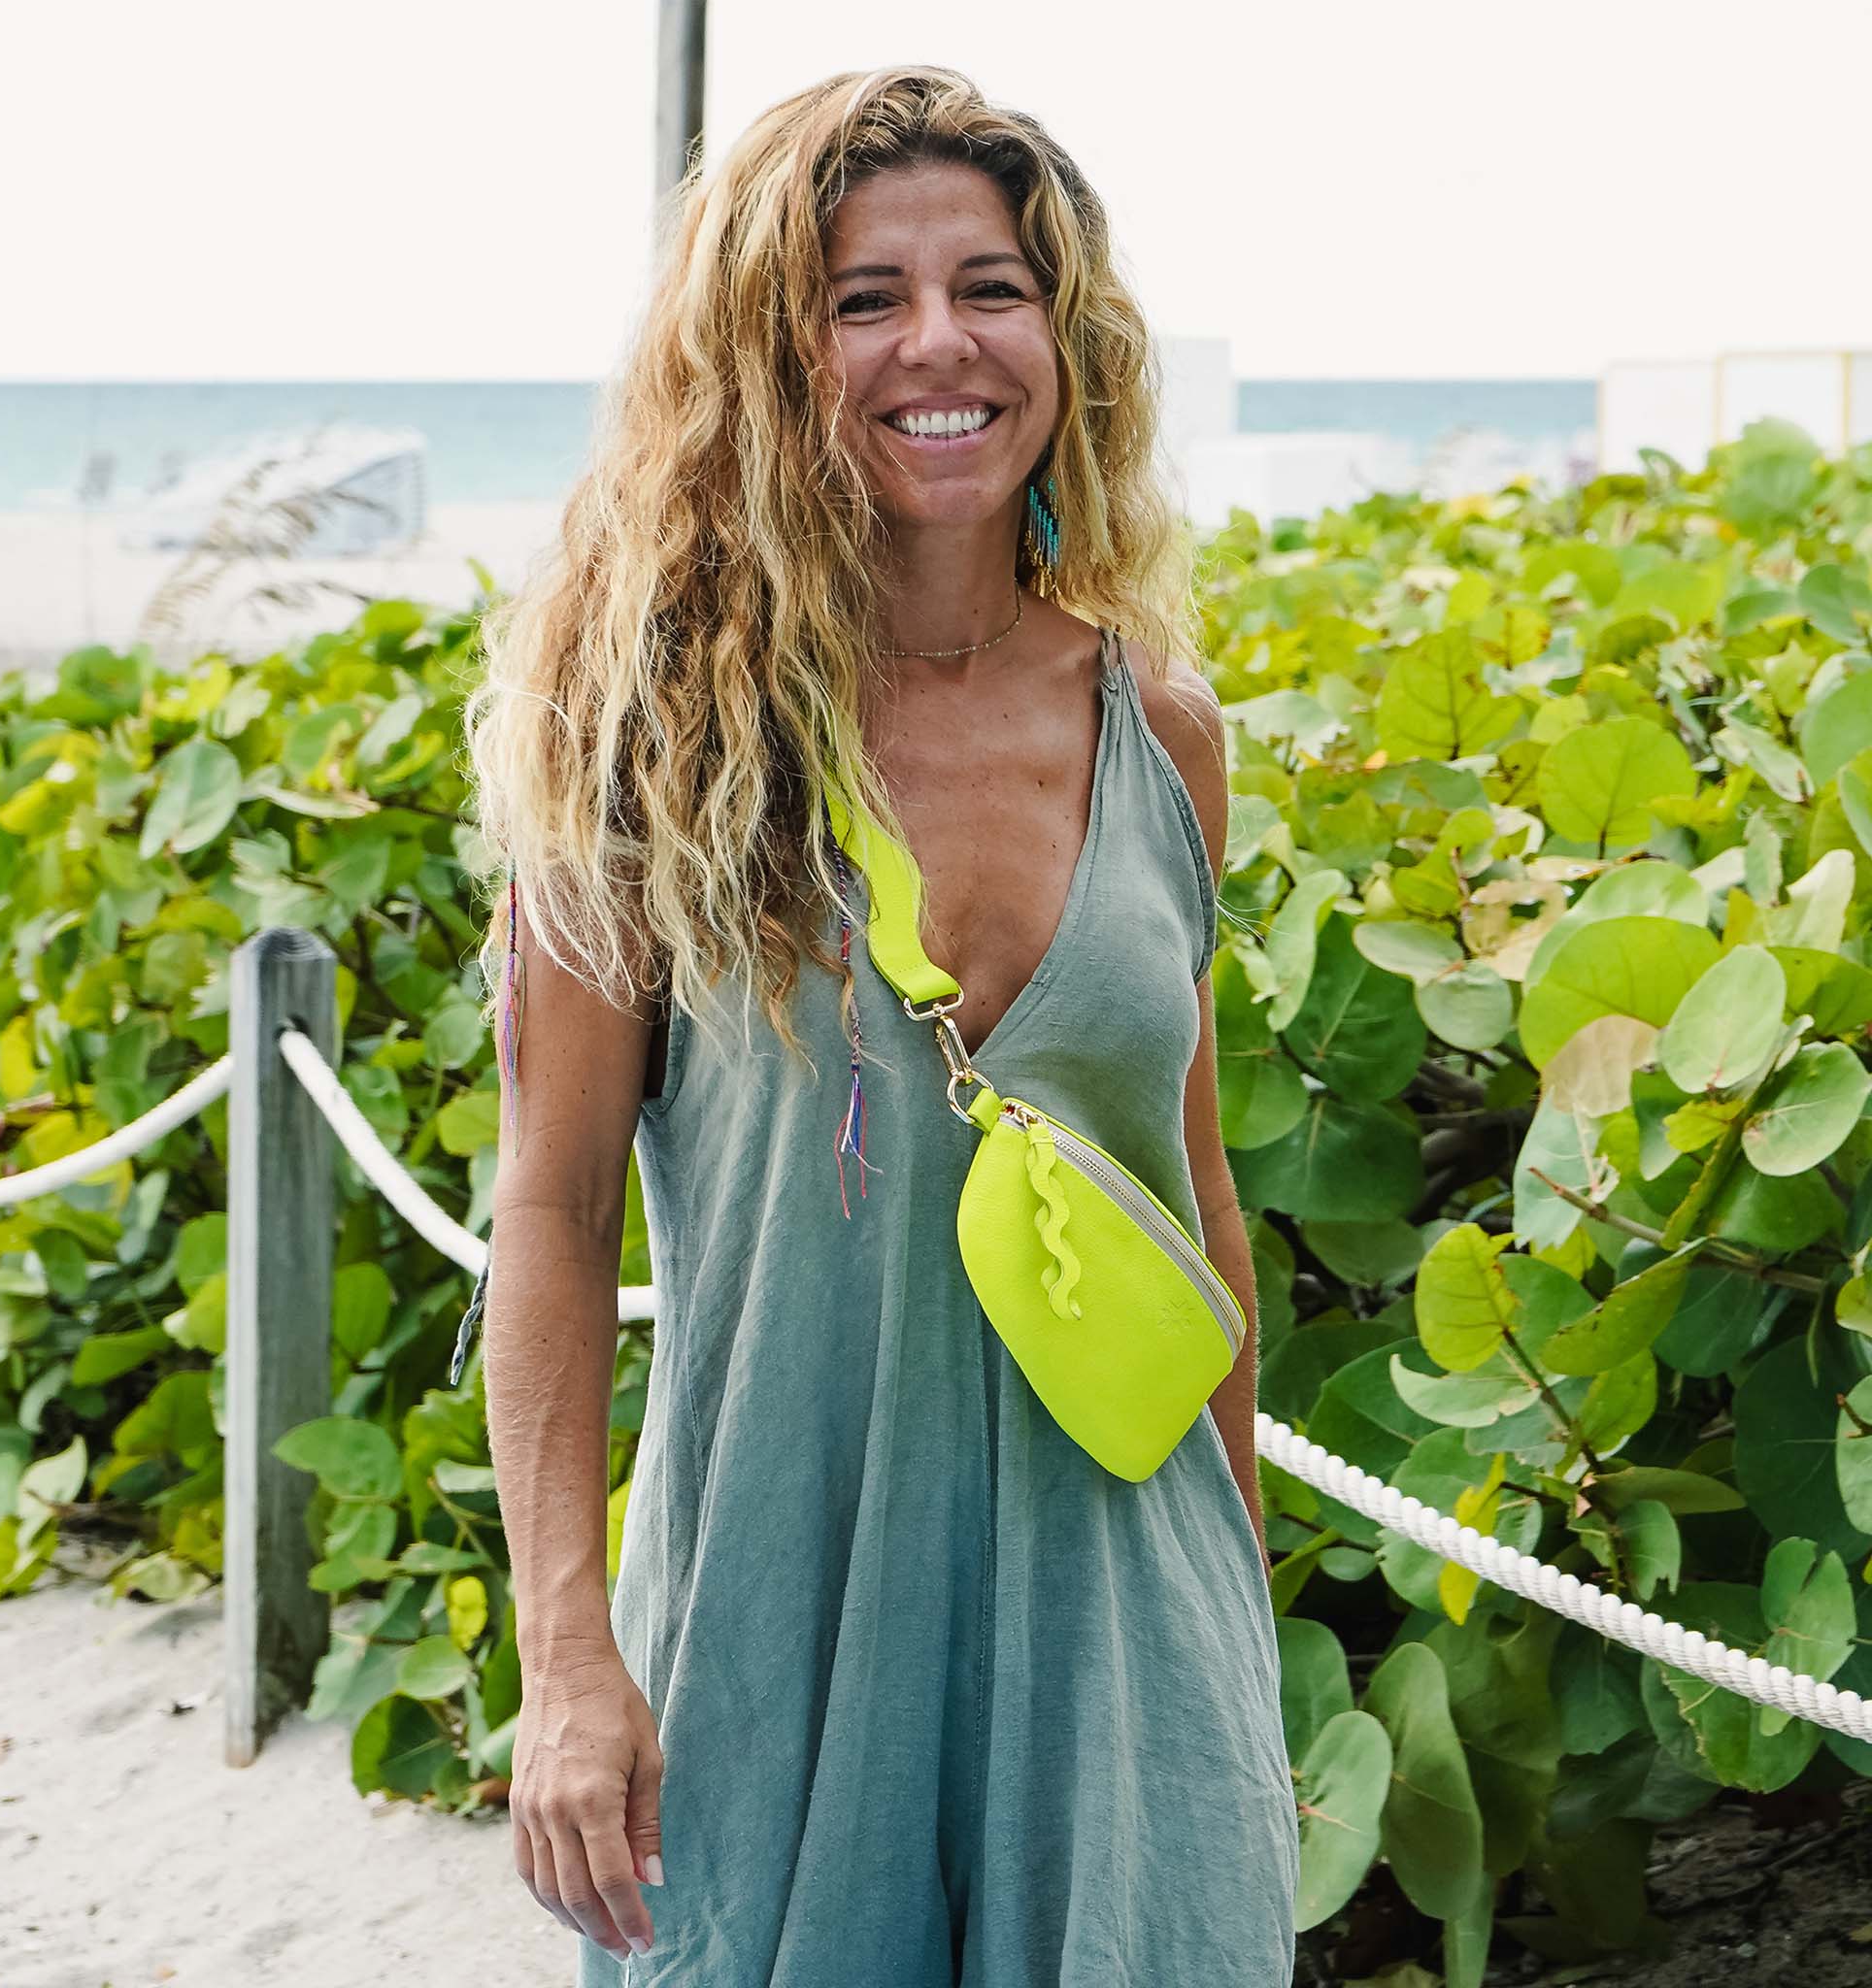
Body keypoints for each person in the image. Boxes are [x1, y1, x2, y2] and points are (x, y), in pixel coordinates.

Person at [460, 63, 1299, 1986]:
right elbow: (556, 1212)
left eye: (990, 287)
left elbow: (1196, 1200)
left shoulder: (1158, 733)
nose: (940, 343)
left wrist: (1228, 1626)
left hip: (1117, 1622)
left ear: (1061, 335)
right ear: (770, 353)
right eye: (862, 299)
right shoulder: (650, 741)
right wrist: (569, 1657)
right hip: (777, 1604)